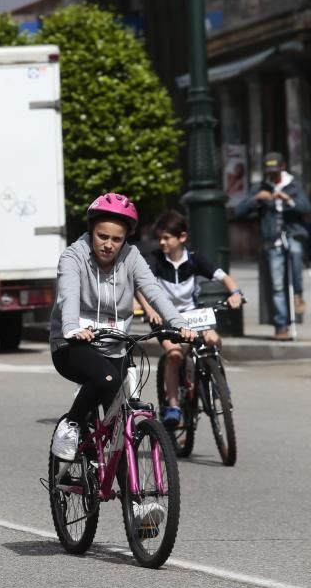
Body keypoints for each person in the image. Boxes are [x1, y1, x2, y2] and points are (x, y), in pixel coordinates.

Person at [49, 193, 195, 473]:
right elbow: (67, 295)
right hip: (73, 345)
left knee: (120, 428)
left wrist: (178, 323)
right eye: (102, 236)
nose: (108, 245)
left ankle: (134, 504)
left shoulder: (131, 256)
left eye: (117, 239)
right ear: (91, 230)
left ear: (126, 238)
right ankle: (71, 426)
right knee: (106, 379)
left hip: (115, 345)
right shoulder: (73, 256)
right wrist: (71, 328)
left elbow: (153, 290)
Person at [134, 210, 243, 429]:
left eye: (167, 238)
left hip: (192, 315)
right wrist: (148, 309)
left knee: (213, 341)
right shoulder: (154, 259)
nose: (162, 242)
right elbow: (139, 285)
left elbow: (224, 277)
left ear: (182, 237)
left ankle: (219, 385)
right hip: (164, 317)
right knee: (174, 355)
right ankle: (173, 405)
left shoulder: (195, 258)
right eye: (160, 238)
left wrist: (236, 293)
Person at [235, 152, 311, 340]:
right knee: (277, 285)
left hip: (292, 234)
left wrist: (287, 199)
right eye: (270, 172)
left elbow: (306, 207)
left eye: (275, 171)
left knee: (295, 251)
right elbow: (239, 211)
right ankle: (281, 326)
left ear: (282, 166)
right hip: (272, 240)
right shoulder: (261, 187)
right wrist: (257, 199)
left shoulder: (293, 185)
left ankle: (298, 294)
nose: (273, 176)